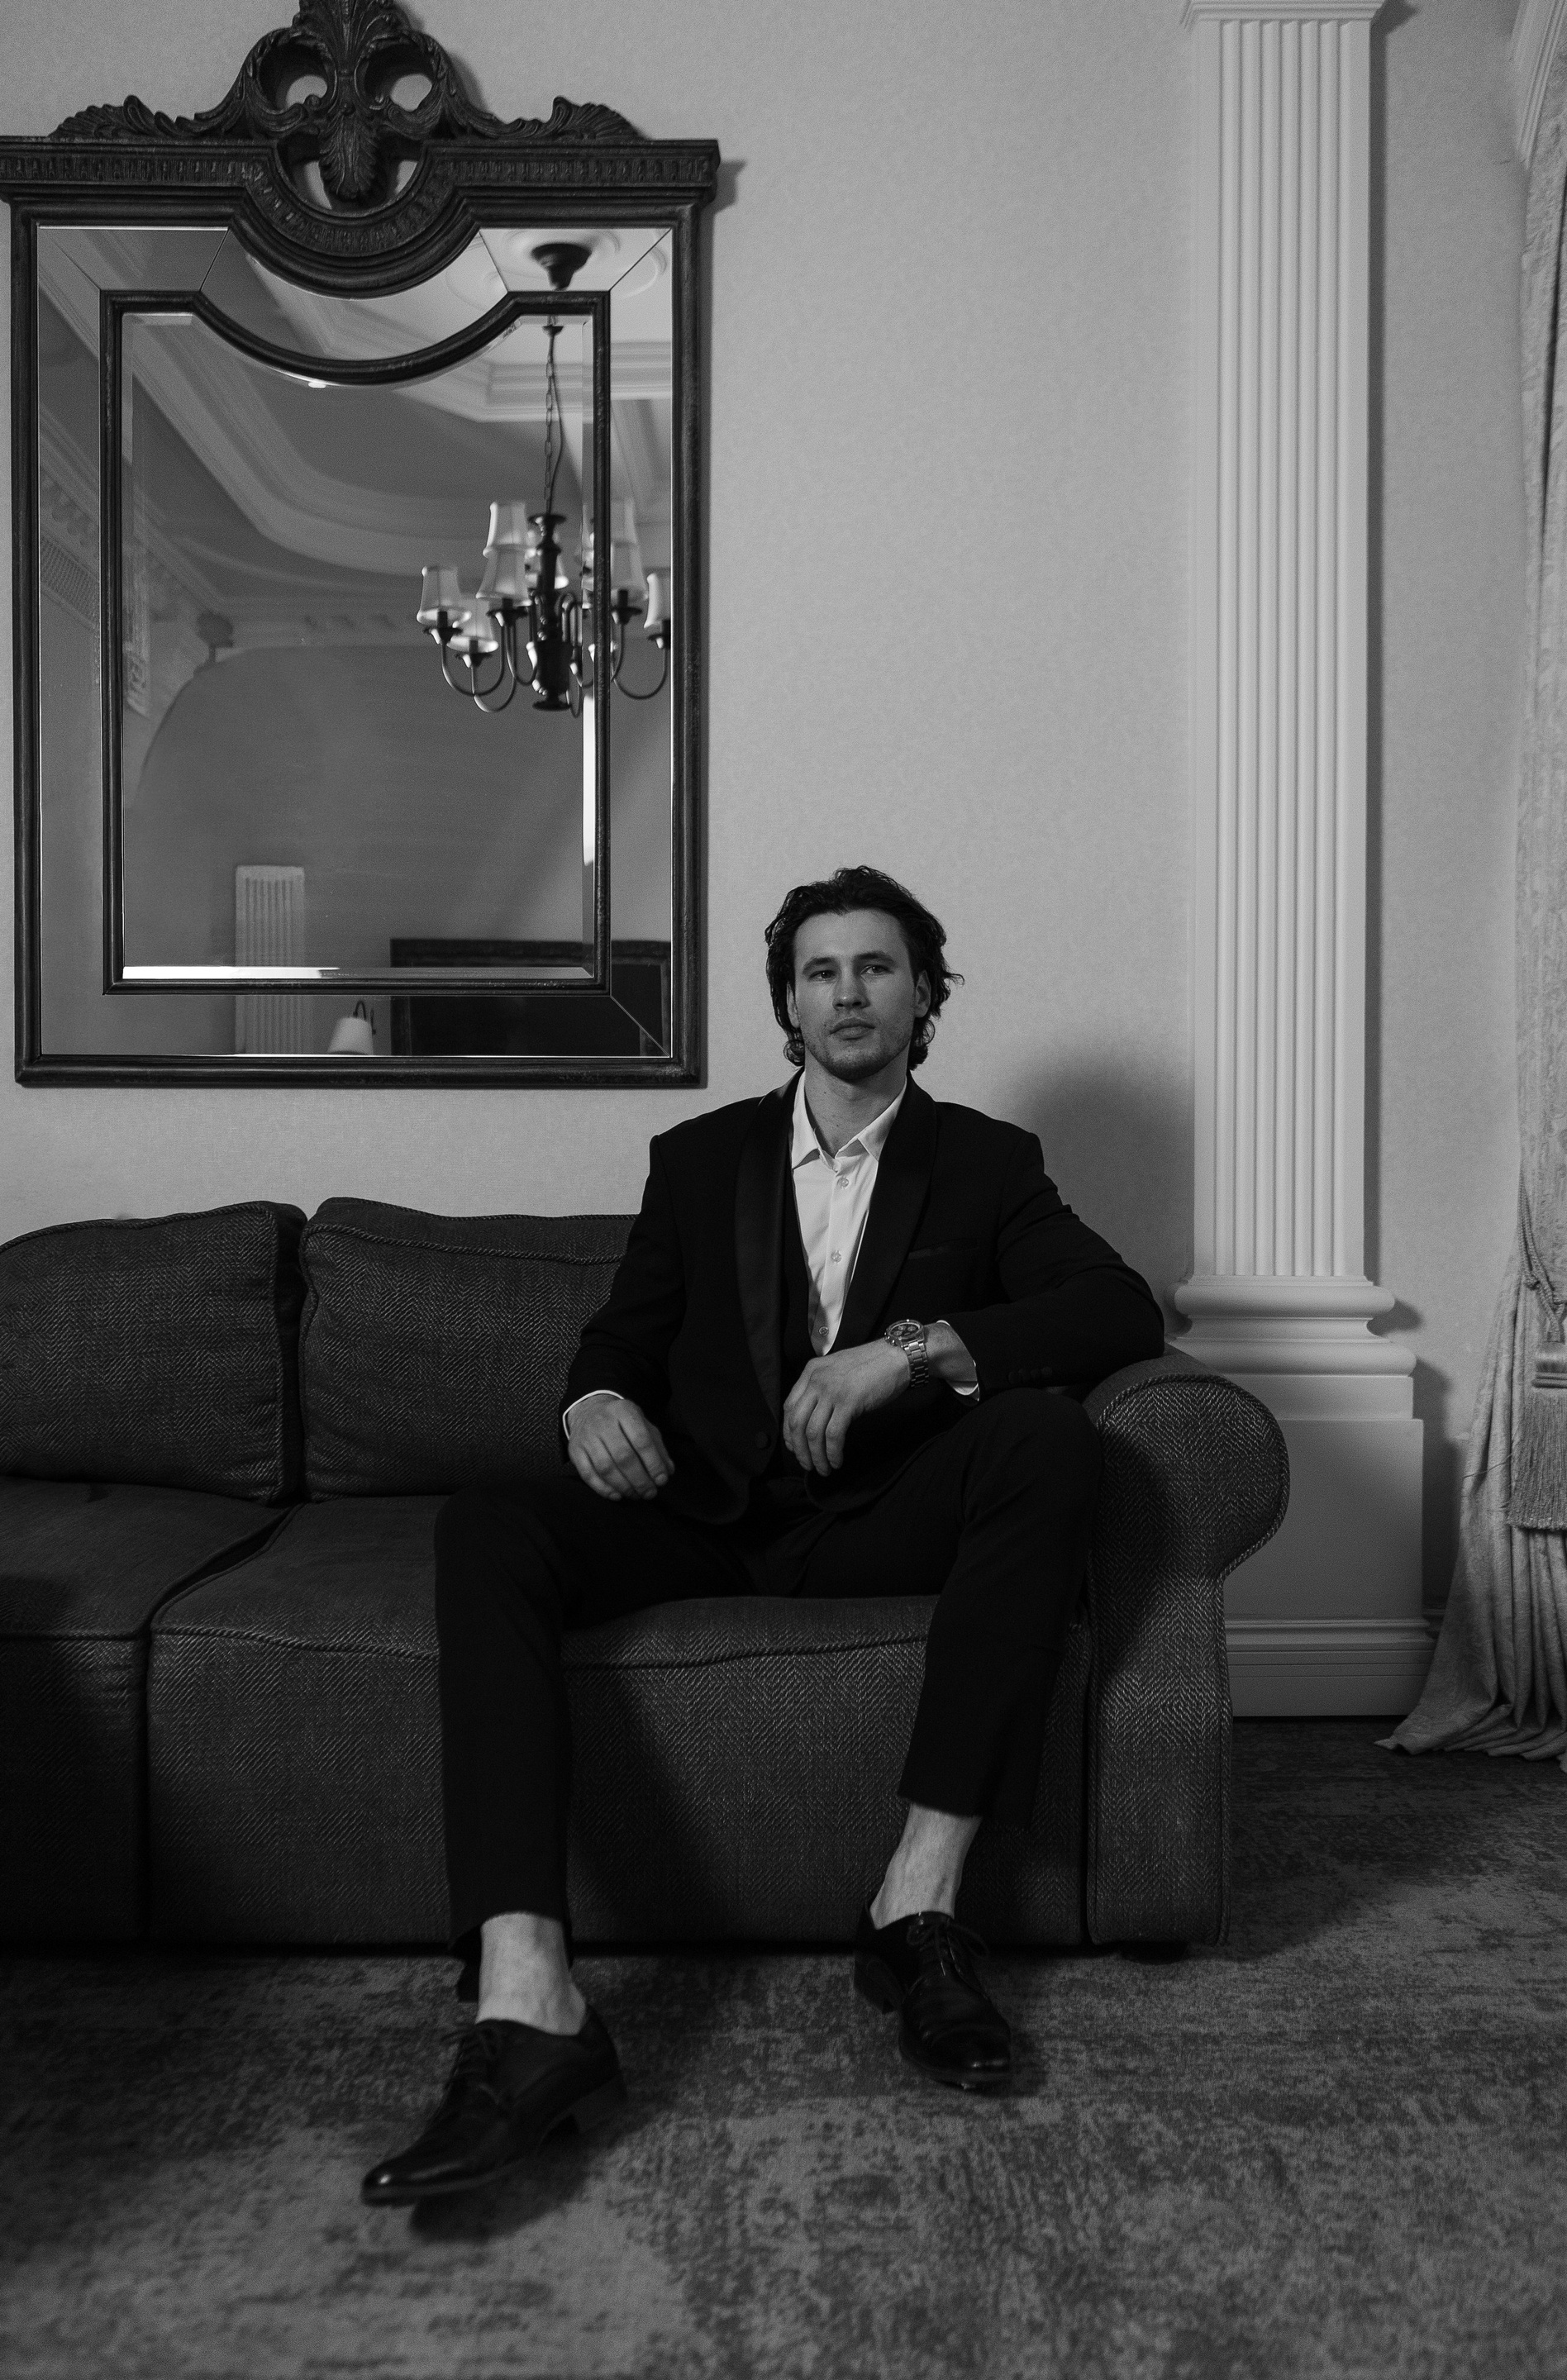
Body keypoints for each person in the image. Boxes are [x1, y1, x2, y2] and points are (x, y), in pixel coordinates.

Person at [363, 864, 1163, 2206]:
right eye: (820, 972)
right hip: (702, 1518)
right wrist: (595, 1403)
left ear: (925, 996)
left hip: (881, 1518)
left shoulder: (986, 1162)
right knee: (488, 1524)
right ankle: (527, 1995)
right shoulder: (699, 1160)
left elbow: (1117, 1311)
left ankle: (916, 1907)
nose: (849, 994)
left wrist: (911, 1350)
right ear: (788, 1004)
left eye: (878, 968)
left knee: (1049, 1438)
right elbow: (619, 1341)